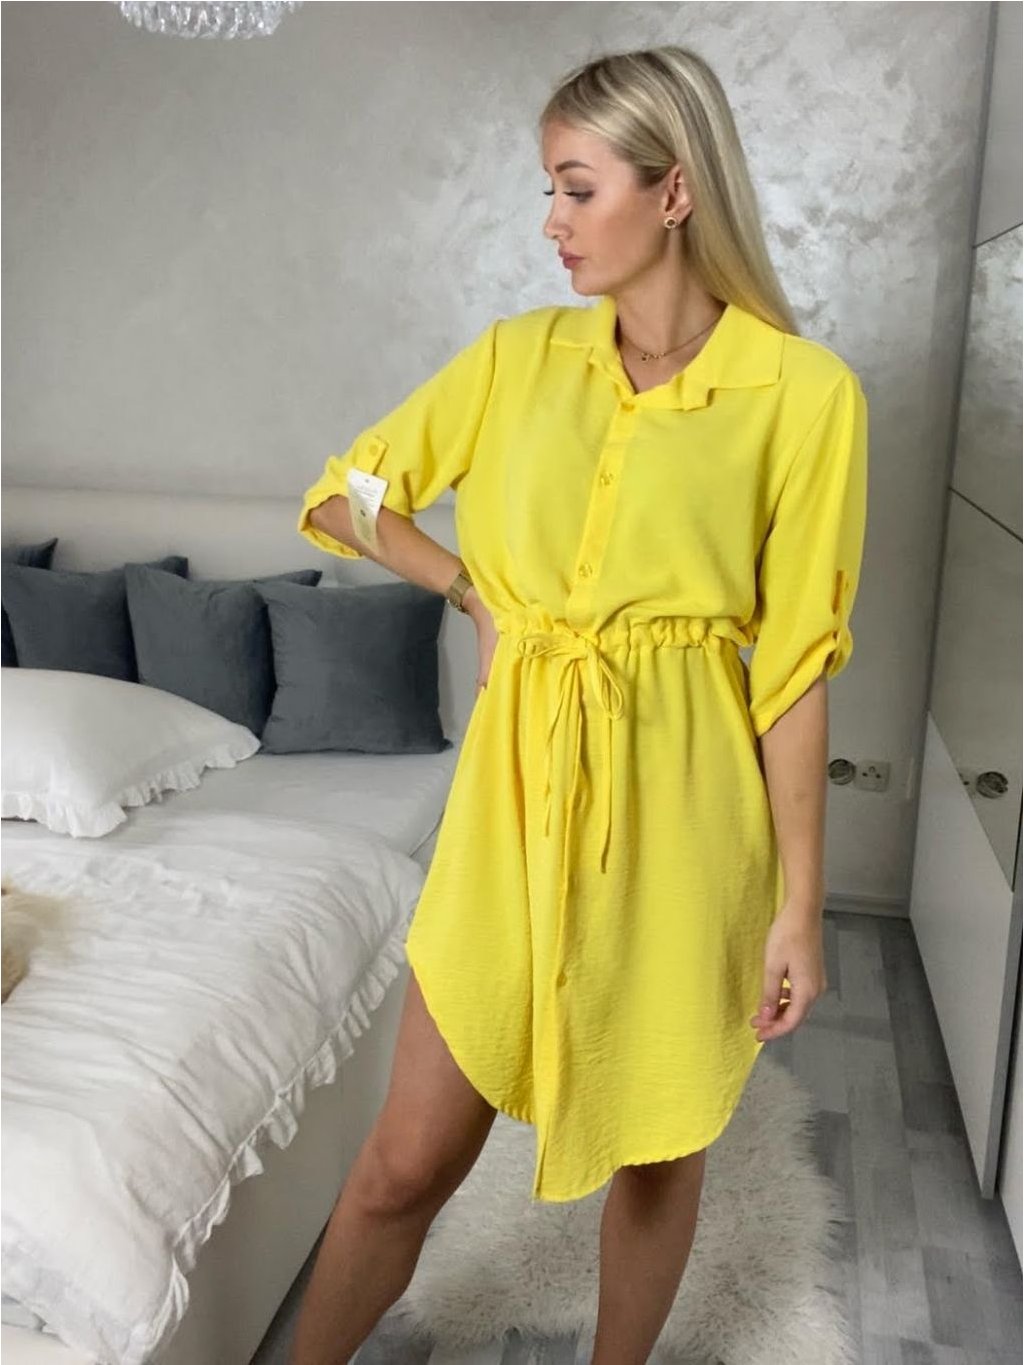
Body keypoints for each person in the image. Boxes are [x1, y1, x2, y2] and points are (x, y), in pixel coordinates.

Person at [287, 42, 868, 1365]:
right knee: (405, 1159)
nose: (551, 222)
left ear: (674, 191)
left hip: (686, 818)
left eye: (576, 187)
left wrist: (797, 905)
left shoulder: (805, 397)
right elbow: (345, 494)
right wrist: (467, 587)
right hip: (510, 807)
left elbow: (793, 671)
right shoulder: (514, 359)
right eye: (547, 190)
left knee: (656, 1150)